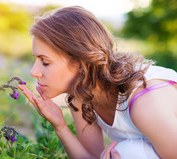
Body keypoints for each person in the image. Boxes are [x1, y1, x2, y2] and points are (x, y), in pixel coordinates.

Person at [17, 6, 177, 159]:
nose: (34, 72)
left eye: (45, 62)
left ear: (81, 63)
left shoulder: (144, 104)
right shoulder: (81, 96)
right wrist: (60, 126)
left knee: (127, 153)